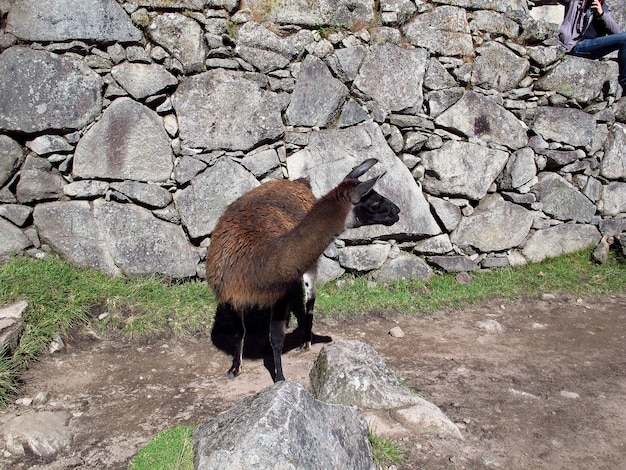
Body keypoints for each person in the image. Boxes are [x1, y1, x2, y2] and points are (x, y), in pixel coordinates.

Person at [556, 0, 626, 92]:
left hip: (593, 47)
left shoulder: (603, 7)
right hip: (575, 45)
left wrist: (601, 14)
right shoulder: (575, 2)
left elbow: (616, 31)